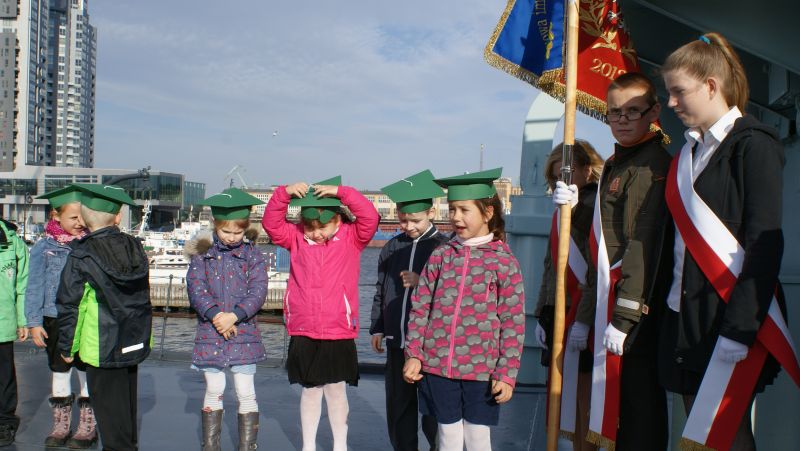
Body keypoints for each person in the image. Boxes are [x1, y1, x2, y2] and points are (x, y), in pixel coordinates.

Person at [659, 33, 789, 451]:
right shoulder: (689, 153)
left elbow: (765, 244)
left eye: (679, 91)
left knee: (728, 434)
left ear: (711, 86)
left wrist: (740, 328)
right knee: (697, 435)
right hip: (684, 315)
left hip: (728, 314)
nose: (671, 103)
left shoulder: (754, 145)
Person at [554, 73, 671, 450]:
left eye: (632, 111)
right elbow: (604, 239)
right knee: (621, 414)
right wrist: (576, 207)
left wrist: (625, 317)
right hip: (614, 301)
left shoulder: (650, 166)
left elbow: (641, 244)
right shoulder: (620, 164)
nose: (622, 120)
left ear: (653, 112)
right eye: (614, 112)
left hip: (635, 309)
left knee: (638, 414)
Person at [402, 168, 525, 451]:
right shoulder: (441, 255)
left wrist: (506, 373)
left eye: (464, 210)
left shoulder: (504, 262)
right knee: (447, 435)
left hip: (482, 371)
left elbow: (513, 321)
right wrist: (414, 354)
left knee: (477, 437)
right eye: (452, 209)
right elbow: (420, 307)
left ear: (487, 212)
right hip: (438, 366)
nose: (455, 217)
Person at [262, 176, 379, 451]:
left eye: (323, 227)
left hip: (338, 328)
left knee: (336, 390)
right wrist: (284, 194)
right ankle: (308, 445)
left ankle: (340, 445)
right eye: (310, 227)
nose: (316, 233)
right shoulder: (295, 238)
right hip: (304, 328)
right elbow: (272, 224)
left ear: (338, 219)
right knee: (310, 390)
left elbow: (370, 217)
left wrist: (343, 192)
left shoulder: (352, 238)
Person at [56, 184, 151, 451]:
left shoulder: (81, 254)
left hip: (101, 344)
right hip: (133, 339)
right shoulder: (134, 247)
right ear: (118, 217)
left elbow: (71, 305)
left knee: (109, 415)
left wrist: (67, 346)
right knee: (126, 410)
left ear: (84, 218)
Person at [370, 169, 448, 451]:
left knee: (433, 409)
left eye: (415, 220)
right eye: (403, 219)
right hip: (396, 340)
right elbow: (381, 288)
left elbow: (451, 294)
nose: (409, 226)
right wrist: (378, 327)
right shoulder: (393, 246)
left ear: (431, 212)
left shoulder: (443, 247)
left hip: (430, 345)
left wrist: (421, 281)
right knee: (399, 407)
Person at [186, 188, 268, 451]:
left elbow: (258, 291)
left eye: (238, 232)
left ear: (246, 228)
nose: (232, 237)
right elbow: (196, 289)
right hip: (211, 332)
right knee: (214, 388)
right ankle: (211, 446)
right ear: (215, 224)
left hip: (243, 332)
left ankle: (248, 446)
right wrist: (216, 316)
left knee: (246, 391)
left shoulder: (253, 255)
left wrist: (234, 316)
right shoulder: (202, 255)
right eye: (226, 231)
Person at [534, 141, 603, 451]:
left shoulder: (594, 207)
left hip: (582, 315)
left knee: (584, 401)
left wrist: (584, 320)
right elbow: (550, 267)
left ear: (587, 170)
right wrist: (542, 313)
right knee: (566, 401)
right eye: (555, 176)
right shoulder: (561, 209)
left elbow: (594, 268)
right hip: (559, 312)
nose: (560, 181)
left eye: (568, 172)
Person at [25, 186, 97, 448]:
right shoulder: (43, 248)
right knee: (59, 369)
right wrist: (34, 322)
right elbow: (34, 286)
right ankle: (61, 424)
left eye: (82, 217)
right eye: (73, 218)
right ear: (56, 215)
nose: (79, 223)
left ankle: (87, 425)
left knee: (85, 368)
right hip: (54, 317)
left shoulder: (90, 245)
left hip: (84, 318)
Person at [0, 216, 28, 447]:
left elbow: (23, 284)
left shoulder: (13, 242)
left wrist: (23, 320)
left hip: (3, 321)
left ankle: (5, 421)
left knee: (4, 376)